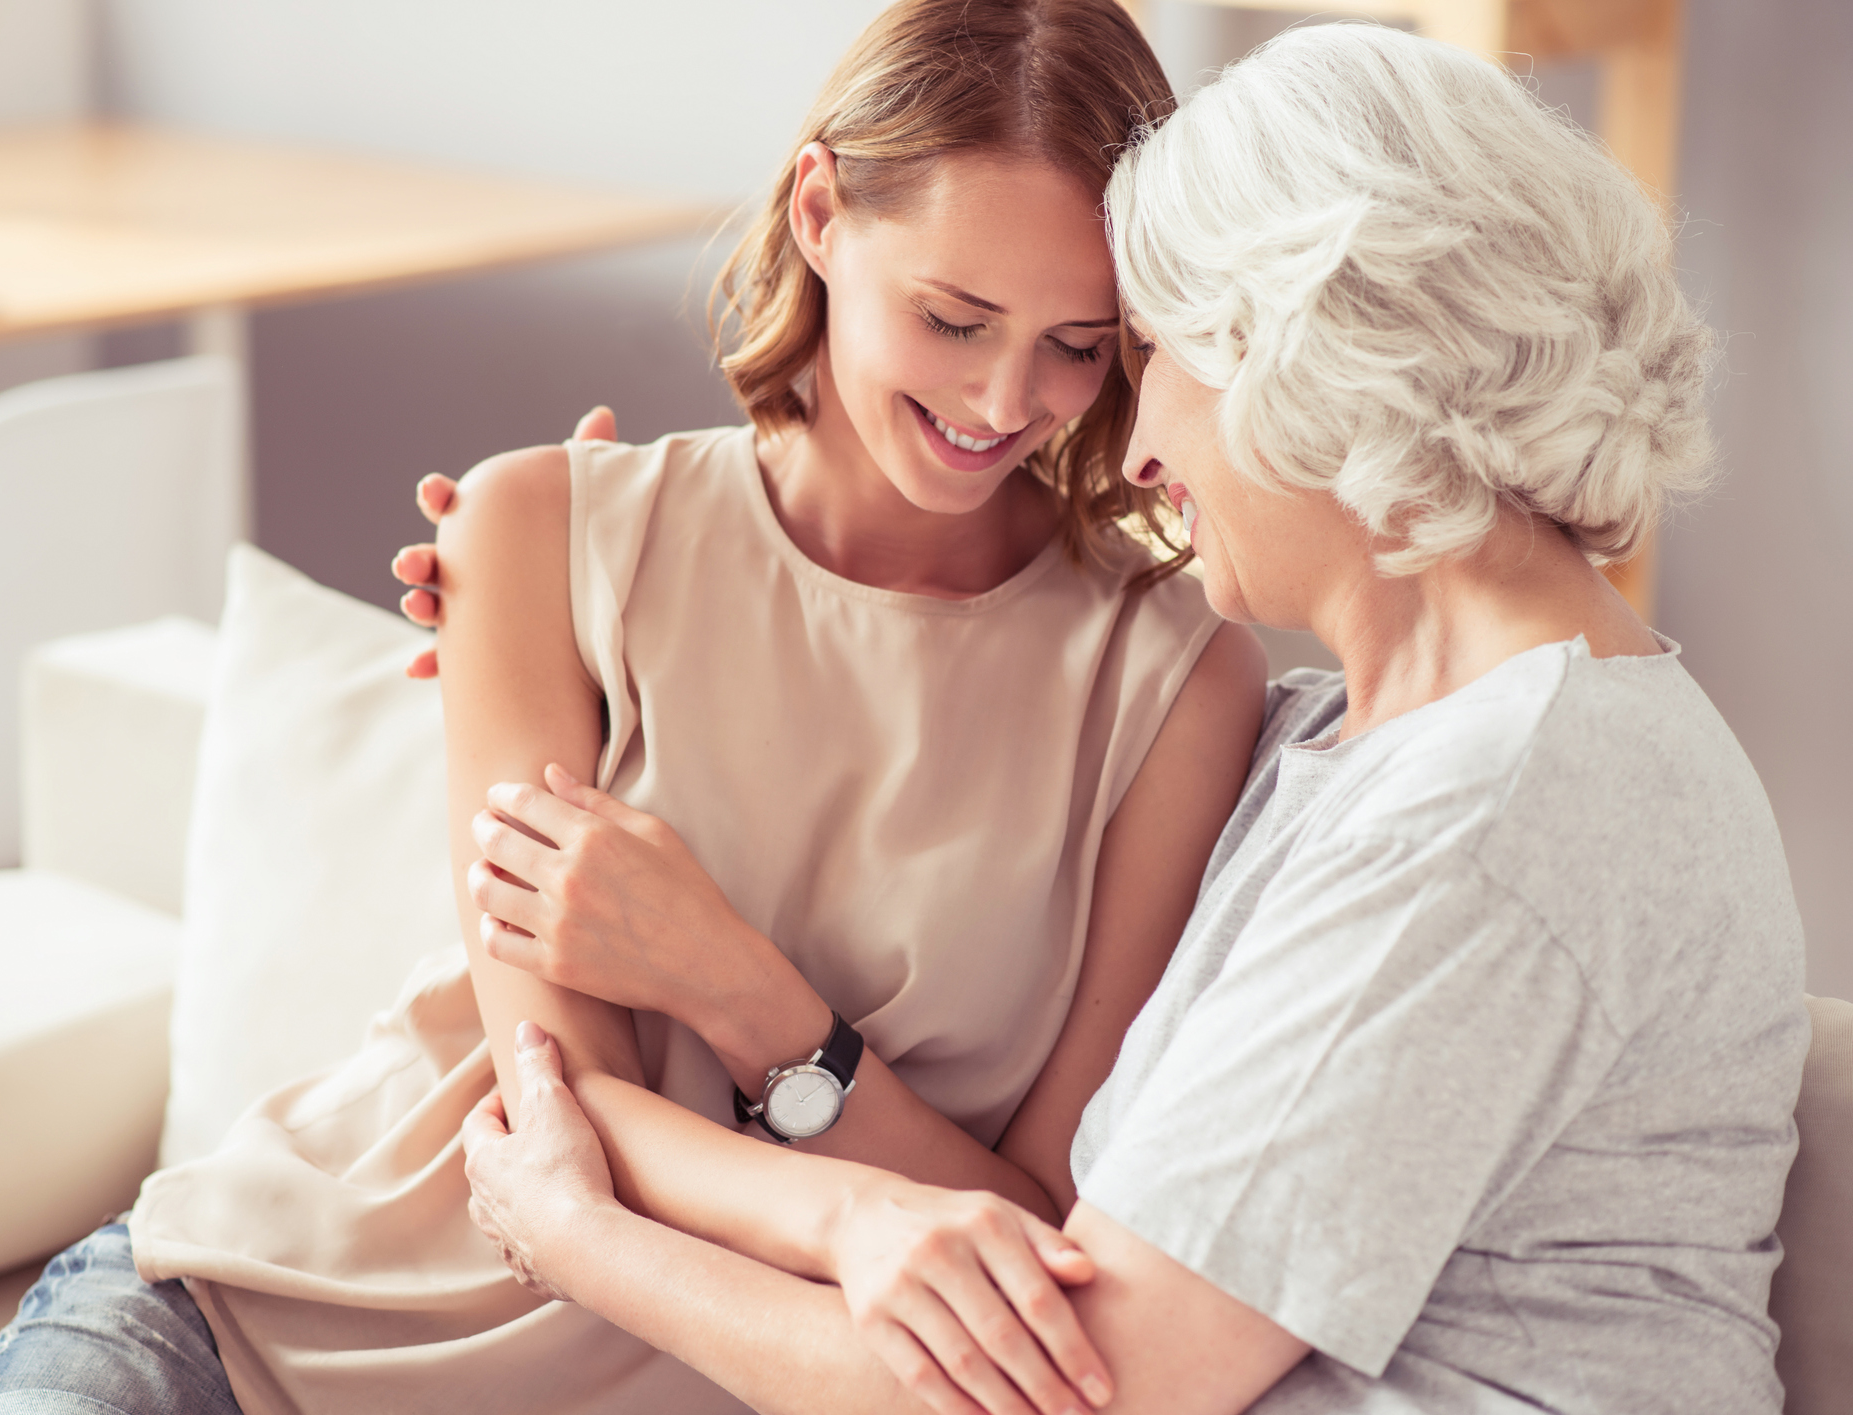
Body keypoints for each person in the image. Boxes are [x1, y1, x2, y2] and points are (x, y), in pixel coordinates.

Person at [451, 22, 1811, 1415]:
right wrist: (599, 588)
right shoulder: (1351, 749)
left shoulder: (1496, 812)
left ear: (1315, 360)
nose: (1136, 441)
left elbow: (1074, 1392)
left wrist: (578, 1236)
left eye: (1138, 351)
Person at [0, 4, 1265, 1414]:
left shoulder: (1173, 682)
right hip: (273, 1325)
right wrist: (855, 1210)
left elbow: (1036, 1234)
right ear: (821, 213)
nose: (1007, 400)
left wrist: (749, 998)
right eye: (954, 318)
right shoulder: (537, 529)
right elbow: (553, 1109)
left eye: (1077, 343)